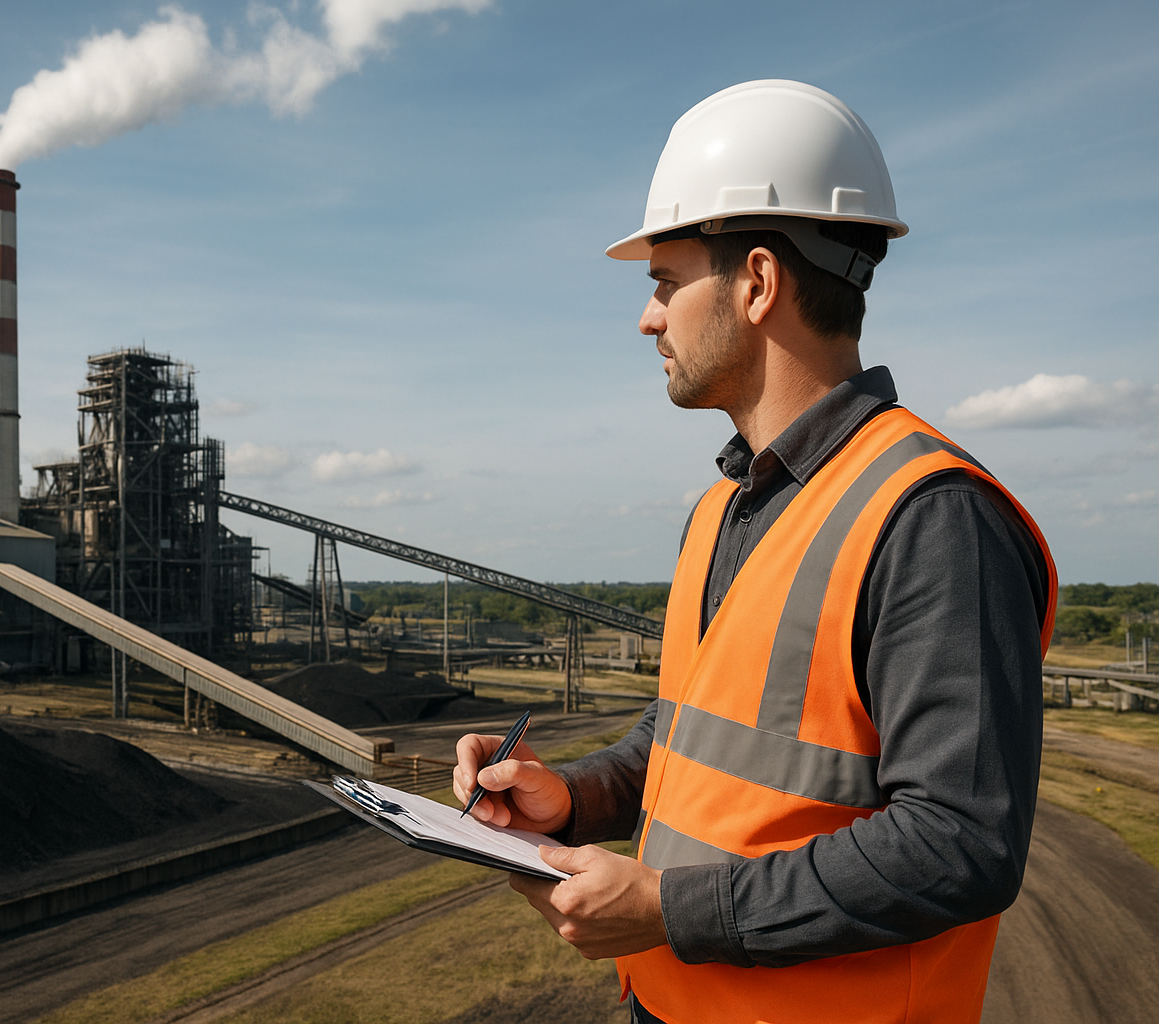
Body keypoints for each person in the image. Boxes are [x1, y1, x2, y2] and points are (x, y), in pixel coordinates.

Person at [452, 80, 1056, 1024]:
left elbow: (959, 842)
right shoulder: (722, 511)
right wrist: (565, 796)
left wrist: (669, 908)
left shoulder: (931, 518)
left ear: (759, 283)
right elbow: (690, 746)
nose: (647, 320)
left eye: (663, 283)